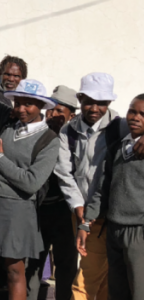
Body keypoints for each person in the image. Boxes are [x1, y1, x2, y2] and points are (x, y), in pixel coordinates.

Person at [0, 21, 60, 300]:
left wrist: (0, 160)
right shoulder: (7, 117)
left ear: (41, 106)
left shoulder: (49, 140)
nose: (20, 108)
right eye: (17, 101)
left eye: (27, 103)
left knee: (14, 273)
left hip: (19, 209)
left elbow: (31, 183)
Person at [54, 72, 137, 300]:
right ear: (80, 99)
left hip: (116, 212)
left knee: (101, 276)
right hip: (84, 214)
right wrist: (77, 204)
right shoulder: (68, 131)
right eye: (89, 101)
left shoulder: (121, 128)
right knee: (91, 276)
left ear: (109, 103)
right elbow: (64, 172)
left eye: (101, 103)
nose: (94, 108)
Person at [77, 94, 144, 300]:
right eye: (132, 111)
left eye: (143, 114)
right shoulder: (117, 147)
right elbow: (102, 189)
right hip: (114, 229)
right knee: (117, 291)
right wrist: (86, 224)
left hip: (139, 231)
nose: (136, 117)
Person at [25, 86, 78, 300]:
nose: (52, 115)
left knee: (66, 267)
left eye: (59, 111)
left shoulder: (76, 140)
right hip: (38, 211)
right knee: (33, 266)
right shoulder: (36, 134)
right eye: (50, 110)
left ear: (71, 116)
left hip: (66, 212)